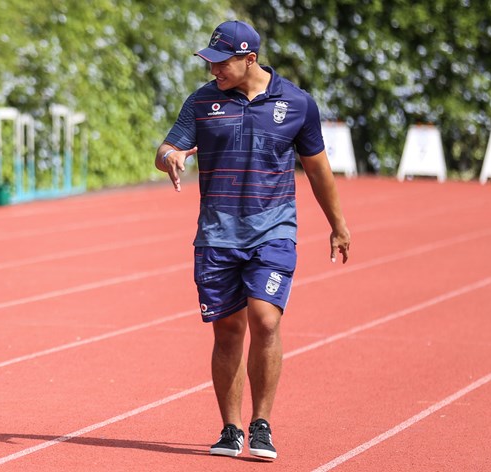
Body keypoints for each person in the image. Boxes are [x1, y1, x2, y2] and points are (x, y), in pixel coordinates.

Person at [154, 20, 351, 460]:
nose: (213, 71)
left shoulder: (297, 103)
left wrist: (338, 224)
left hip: (273, 231)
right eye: (210, 63)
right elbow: (165, 149)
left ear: (250, 59)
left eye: (221, 63)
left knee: (265, 319)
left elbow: (318, 170)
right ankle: (231, 428)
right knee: (228, 331)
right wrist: (171, 156)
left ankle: (261, 424)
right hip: (217, 235)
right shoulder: (202, 101)